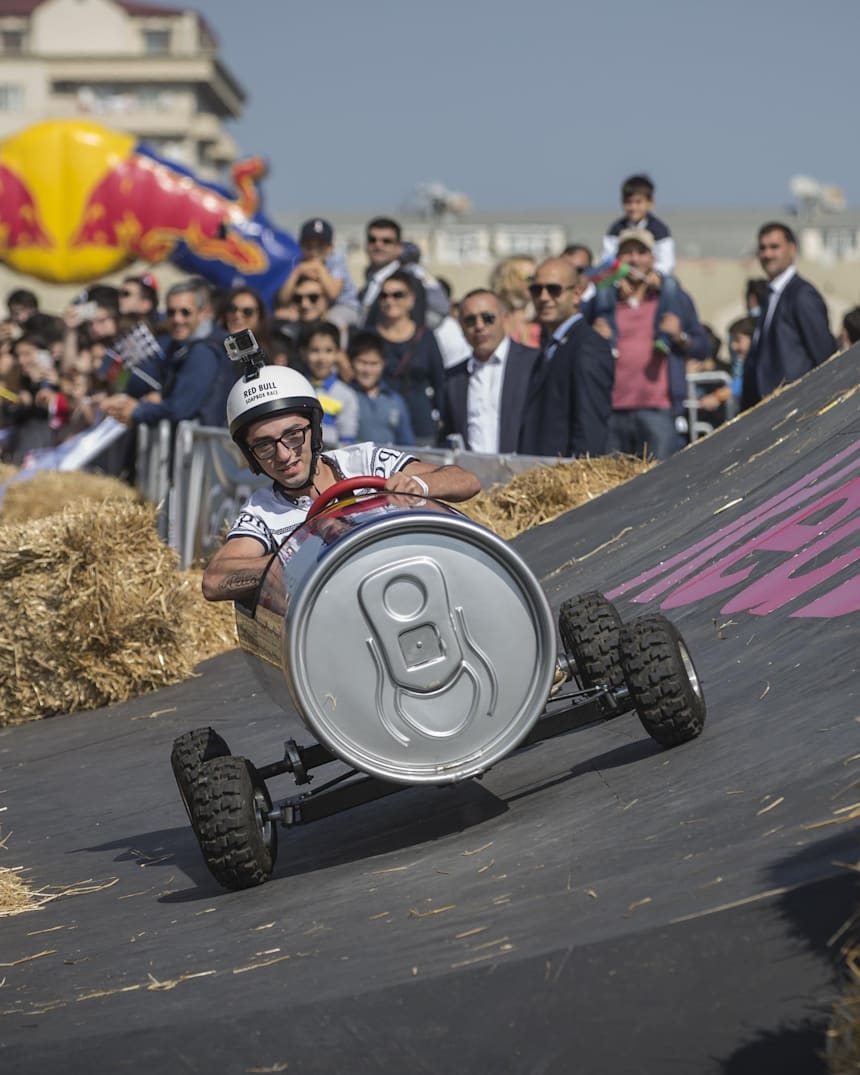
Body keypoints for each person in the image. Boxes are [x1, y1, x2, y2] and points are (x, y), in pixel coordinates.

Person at [200, 364, 480, 602]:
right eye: (263, 445)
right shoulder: (263, 510)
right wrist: (294, 559)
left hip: (417, 589)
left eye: (294, 435)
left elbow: (467, 481)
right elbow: (214, 581)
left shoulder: (366, 460)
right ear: (250, 455)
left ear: (315, 429)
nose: (283, 454)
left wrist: (419, 486)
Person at [592, 230, 706, 459]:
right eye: (627, 253)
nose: (634, 259)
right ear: (618, 259)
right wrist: (592, 335)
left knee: (661, 487)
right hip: (612, 411)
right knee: (614, 490)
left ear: (652, 259)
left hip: (659, 410)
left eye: (641, 252)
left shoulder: (674, 298)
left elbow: (703, 347)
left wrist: (679, 336)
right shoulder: (603, 300)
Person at [101, 278, 229, 429]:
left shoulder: (204, 351)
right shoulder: (180, 347)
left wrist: (137, 410)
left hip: (206, 448)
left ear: (203, 313)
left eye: (185, 312)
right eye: (171, 312)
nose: (177, 319)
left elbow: (180, 408)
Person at [518, 258, 614, 458]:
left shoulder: (587, 346)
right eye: (536, 290)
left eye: (554, 289)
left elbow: (590, 425)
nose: (544, 297)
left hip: (566, 475)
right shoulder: (552, 343)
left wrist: (579, 478)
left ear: (576, 294)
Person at [740, 222, 836, 411]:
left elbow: (825, 356)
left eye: (774, 247)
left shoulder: (801, 295)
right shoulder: (771, 297)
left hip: (796, 409)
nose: (767, 254)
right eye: (762, 248)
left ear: (792, 250)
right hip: (769, 411)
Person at [439, 288, 538, 453]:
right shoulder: (454, 377)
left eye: (488, 318)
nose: (479, 326)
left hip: (524, 472)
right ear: (461, 327)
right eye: (470, 320)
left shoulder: (533, 364)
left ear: (505, 319)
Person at [373, 270, 445, 445]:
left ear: (411, 300)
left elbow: (440, 383)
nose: (390, 301)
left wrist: (444, 421)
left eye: (397, 295)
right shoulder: (369, 337)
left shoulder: (426, 337)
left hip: (420, 425)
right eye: (384, 295)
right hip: (380, 426)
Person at [358, 216, 449, 330]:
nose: (378, 245)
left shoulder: (410, 281)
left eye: (386, 241)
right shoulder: (370, 282)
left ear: (398, 248)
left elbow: (415, 329)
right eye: (372, 240)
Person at [276, 217, 360, 336]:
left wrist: (319, 268)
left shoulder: (336, 260)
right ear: (301, 245)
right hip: (313, 307)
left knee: (333, 324)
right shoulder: (298, 262)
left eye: (320, 247)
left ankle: (337, 353)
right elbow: (283, 299)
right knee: (288, 328)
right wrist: (297, 272)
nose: (314, 252)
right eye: (309, 246)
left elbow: (333, 294)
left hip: (344, 306)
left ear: (330, 247)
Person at [299, 321, 359, 449]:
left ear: (338, 353)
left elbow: (347, 443)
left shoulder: (346, 395)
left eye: (328, 351)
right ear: (303, 353)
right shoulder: (296, 387)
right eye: (315, 350)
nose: (321, 358)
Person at [601, 174, 675, 276]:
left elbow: (667, 263)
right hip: (622, 275)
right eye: (628, 202)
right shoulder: (616, 229)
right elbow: (607, 260)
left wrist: (650, 274)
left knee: (670, 286)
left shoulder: (659, 229)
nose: (633, 207)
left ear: (650, 203)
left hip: (652, 275)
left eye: (638, 202)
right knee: (603, 289)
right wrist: (620, 278)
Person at [349, 331, 415, 445]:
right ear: (351, 362)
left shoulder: (395, 401)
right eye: (362, 362)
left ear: (383, 364)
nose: (367, 370)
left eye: (374, 363)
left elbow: (407, 444)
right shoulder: (345, 395)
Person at [217, 286, 289, 366]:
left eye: (247, 311)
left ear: (260, 317)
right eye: (232, 309)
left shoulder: (275, 350)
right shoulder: (213, 348)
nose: (237, 315)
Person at [488, 255, 540, 348]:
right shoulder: (495, 313)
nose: (536, 282)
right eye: (530, 278)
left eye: (537, 277)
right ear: (509, 279)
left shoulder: (540, 311)